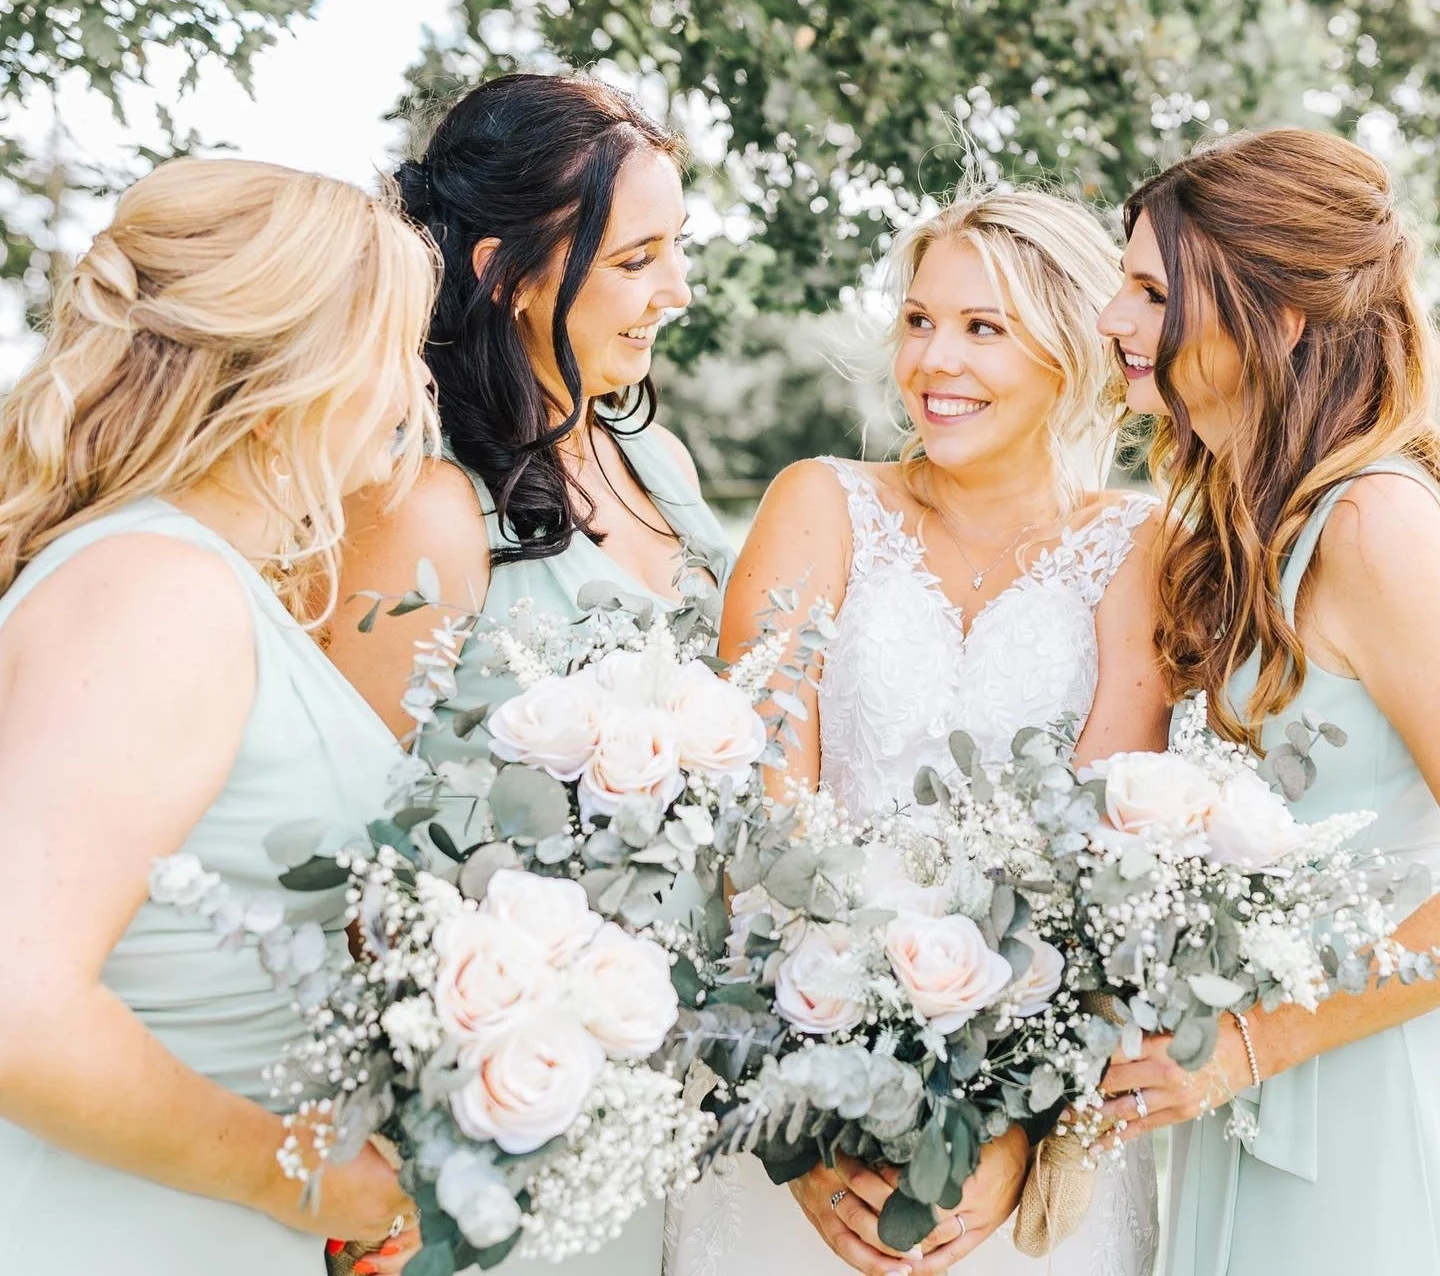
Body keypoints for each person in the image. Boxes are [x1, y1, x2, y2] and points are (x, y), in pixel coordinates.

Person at [668, 189, 1170, 1276]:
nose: (934, 360)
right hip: (804, 1069)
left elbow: (1109, 864)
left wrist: (1021, 1128)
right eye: (917, 319)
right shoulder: (820, 504)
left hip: (1027, 1108)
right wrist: (796, 1126)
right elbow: (750, 836)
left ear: (1075, 348)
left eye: (983, 329)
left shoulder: (1142, 548)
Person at [326, 73, 733, 1276]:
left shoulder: (656, 457)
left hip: (671, 1074)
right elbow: (349, 832)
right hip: (497, 1100)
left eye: (679, 250)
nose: (678, 291)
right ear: (507, 270)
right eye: (637, 260)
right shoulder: (423, 503)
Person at [0, 159, 439, 1275]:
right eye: (395, 348)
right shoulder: (157, 589)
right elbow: (20, 1010)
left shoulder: (202, 579)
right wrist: (308, 1178)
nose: (410, 392)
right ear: (299, 361)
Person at [1096, 126, 1440, 1276]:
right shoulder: (1245, 540)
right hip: (1243, 1090)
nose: (1113, 321)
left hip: (1357, 1094)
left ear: (1279, 316)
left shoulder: (1375, 525)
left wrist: (1253, 1043)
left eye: (1151, 290)